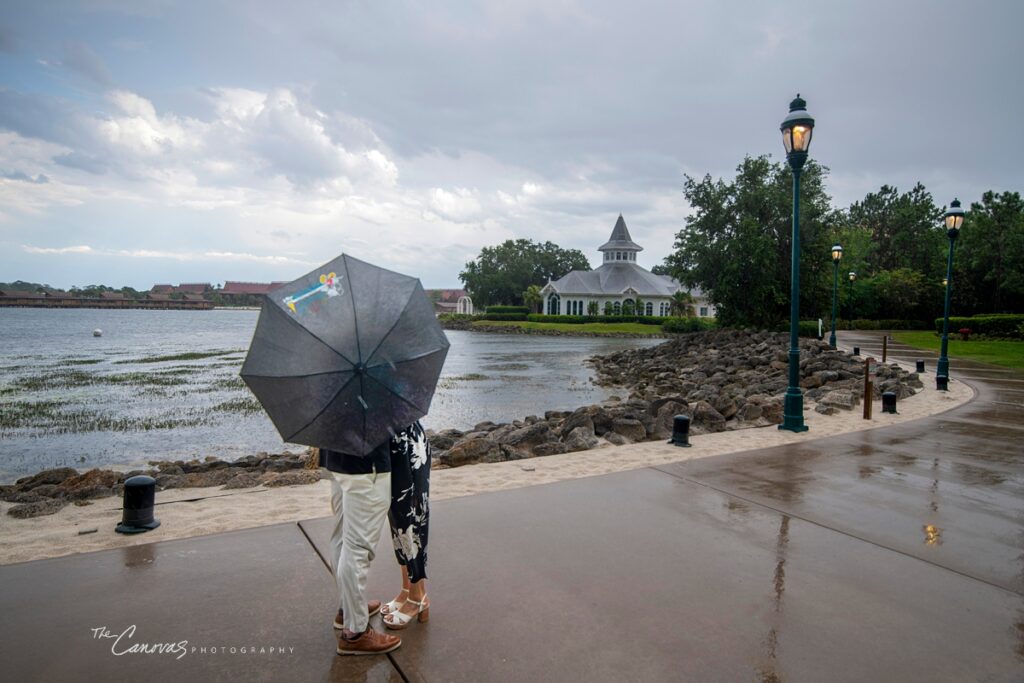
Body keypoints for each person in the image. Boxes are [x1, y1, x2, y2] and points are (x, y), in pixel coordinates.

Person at [320, 440, 401, 656]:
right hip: (365, 462)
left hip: (335, 454)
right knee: (357, 548)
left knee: (341, 537)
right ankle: (355, 632)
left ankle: (347, 609)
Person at [380, 421, 431, 629]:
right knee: (397, 524)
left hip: (408, 446)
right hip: (389, 446)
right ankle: (407, 589)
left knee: (411, 524)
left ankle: (419, 597)